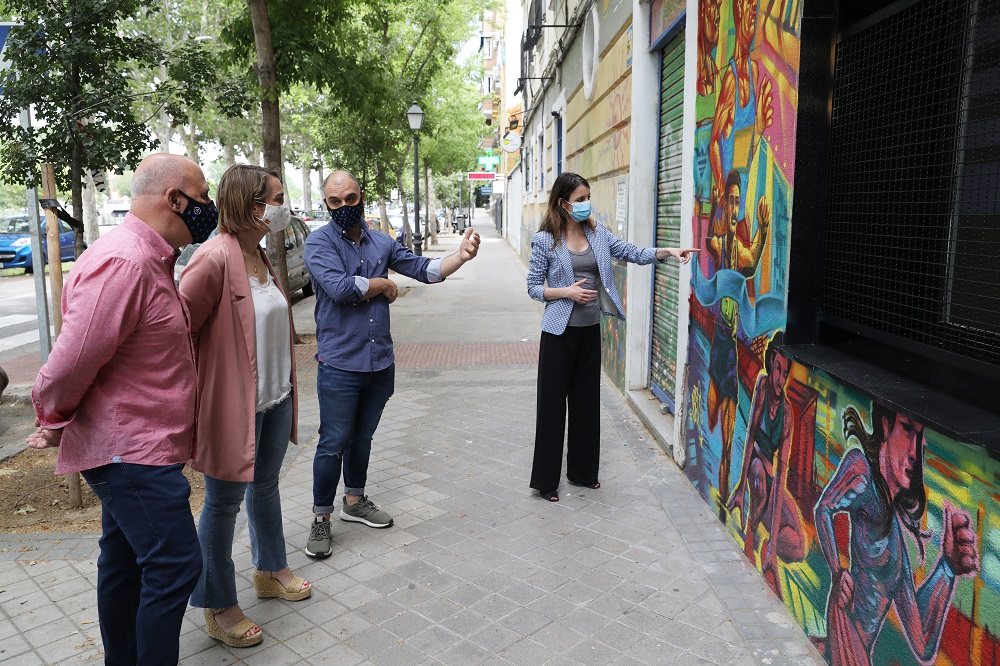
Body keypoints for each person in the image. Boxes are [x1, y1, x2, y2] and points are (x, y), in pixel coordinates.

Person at [26, 153, 215, 666]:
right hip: (130, 452)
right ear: (175, 199)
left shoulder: (149, 258)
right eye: (202, 196)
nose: (209, 206)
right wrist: (51, 416)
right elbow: (70, 362)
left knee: (126, 562)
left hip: (137, 448)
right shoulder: (125, 262)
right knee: (175, 565)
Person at [302, 170, 481, 559]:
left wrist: (461, 256)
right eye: (335, 201)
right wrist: (382, 284)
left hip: (379, 362)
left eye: (351, 198)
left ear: (362, 195)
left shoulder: (382, 242)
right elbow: (340, 288)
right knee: (332, 443)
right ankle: (321, 517)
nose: (344, 207)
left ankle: (354, 501)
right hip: (340, 364)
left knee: (362, 437)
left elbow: (424, 270)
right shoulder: (318, 243)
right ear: (326, 203)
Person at [179, 164, 311, 648]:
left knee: (266, 486)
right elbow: (181, 332)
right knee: (222, 504)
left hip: (275, 398)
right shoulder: (214, 258)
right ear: (252, 206)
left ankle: (270, 570)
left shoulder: (260, 254)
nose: (284, 206)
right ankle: (217, 603)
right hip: (233, 409)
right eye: (277, 198)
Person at [525, 171, 698, 502]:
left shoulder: (598, 233)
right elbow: (533, 287)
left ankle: (583, 473)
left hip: (590, 330)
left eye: (588, 198)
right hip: (558, 334)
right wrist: (566, 292)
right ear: (562, 203)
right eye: (580, 199)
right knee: (551, 408)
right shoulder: (545, 240)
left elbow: (632, 252)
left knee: (586, 404)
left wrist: (667, 250)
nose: (586, 204)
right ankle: (546, 482)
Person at [814, 403, 980, 665]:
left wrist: (947, 569)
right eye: (906, 429)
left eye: (919, 438)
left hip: (857, 653)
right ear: (885, 426)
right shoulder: (861, 470)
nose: (914, 452)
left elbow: (921, 642)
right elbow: (824, 508)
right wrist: (836, 571)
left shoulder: (898, 553)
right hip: (843, 625)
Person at [706, 169, 769, 503]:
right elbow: (708, 241)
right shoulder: (720, 245)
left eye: (736, 201)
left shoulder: (742, 252)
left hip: (729, 348)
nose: (733, 207)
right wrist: (713, 209)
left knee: (728, 440)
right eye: (729, 201)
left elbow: (754, 259)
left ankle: (721, 499)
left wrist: (763, 227)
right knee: (711, 413)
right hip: (716, 344)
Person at [726, 334, 805, 592]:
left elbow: (781, 477)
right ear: (771, 363)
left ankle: (766, 548)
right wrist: (741, 487)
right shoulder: (762, 386)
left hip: (771, 479)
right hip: (756, 468)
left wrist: (774, 543)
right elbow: (750, 435)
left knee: (797, 545)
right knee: (759, 475)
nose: (781, 379)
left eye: (786, 373)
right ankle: (750, 537)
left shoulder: (787, 415)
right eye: (778, 370)